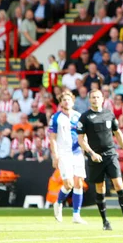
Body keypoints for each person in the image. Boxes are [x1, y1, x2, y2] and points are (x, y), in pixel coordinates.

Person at [77, 89, 123, 232]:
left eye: (98, 97)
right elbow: (81, 140)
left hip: (110, 154)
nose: (95, 99)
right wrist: (91, 153)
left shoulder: (109, 114)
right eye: (93, 97)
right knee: (100, 187)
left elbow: (118, 133)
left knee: (119, 184)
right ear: (89, 100)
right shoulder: (85, 117)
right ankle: (105, 221)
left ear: (102, 99)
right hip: (95, 157)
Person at [49, 91, 86, 225]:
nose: (66, 102)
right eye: (64, 100)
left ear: (73, 101)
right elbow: (52, 138)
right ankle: (58, 203)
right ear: (60, 102)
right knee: (68, 184)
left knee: (79, 183)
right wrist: (55, 155)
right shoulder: (56, 117)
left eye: (68, 99)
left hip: (77, 153)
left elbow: (83, 135)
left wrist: (84, 150)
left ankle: (76, 215)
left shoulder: (79, 116)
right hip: (64, 153)